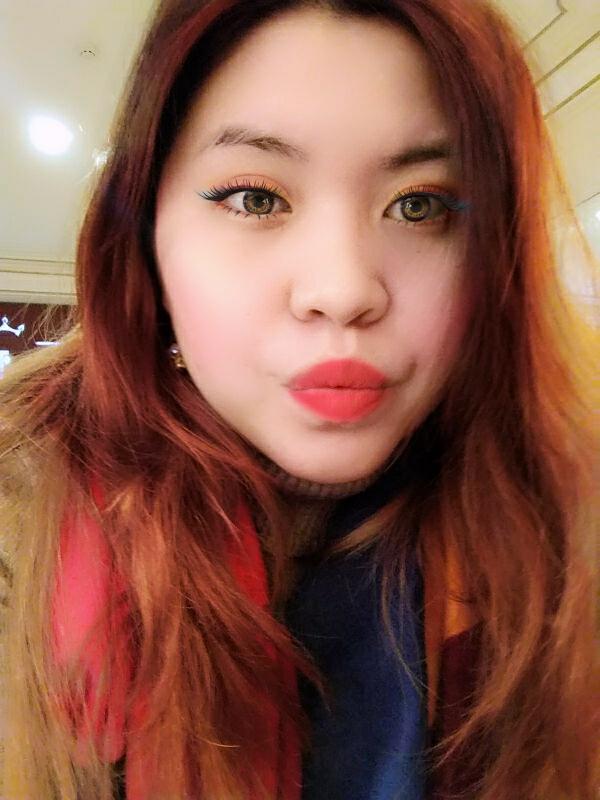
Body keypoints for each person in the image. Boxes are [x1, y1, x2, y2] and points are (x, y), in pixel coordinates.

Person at [0, 0, 597, 798]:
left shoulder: (567, 519)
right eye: (255, 198)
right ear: (146, 244)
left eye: (420, 204)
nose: (343, 289)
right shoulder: (20, 524)